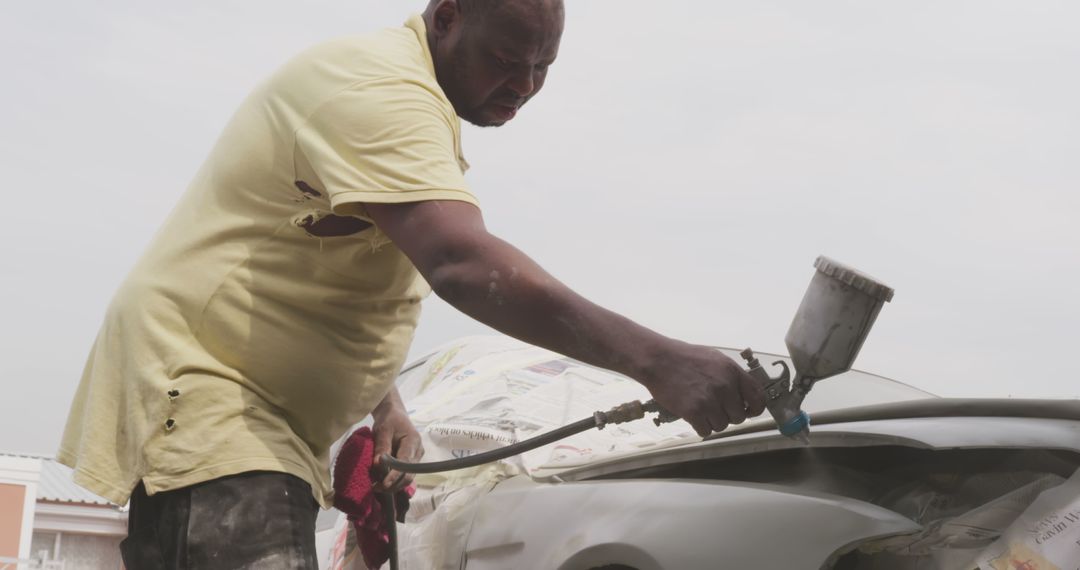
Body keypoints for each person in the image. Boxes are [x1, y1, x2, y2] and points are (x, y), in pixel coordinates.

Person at [59, 0, 766, 567]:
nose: (522, 86)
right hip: (212, 393)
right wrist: (655, 360)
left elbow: (330, 280)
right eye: (504, 59)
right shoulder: (382, 89)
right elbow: (459, 263)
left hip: (251, 415)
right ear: (447, 16)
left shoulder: (413, 106)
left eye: (541, 67)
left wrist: (383, 404)